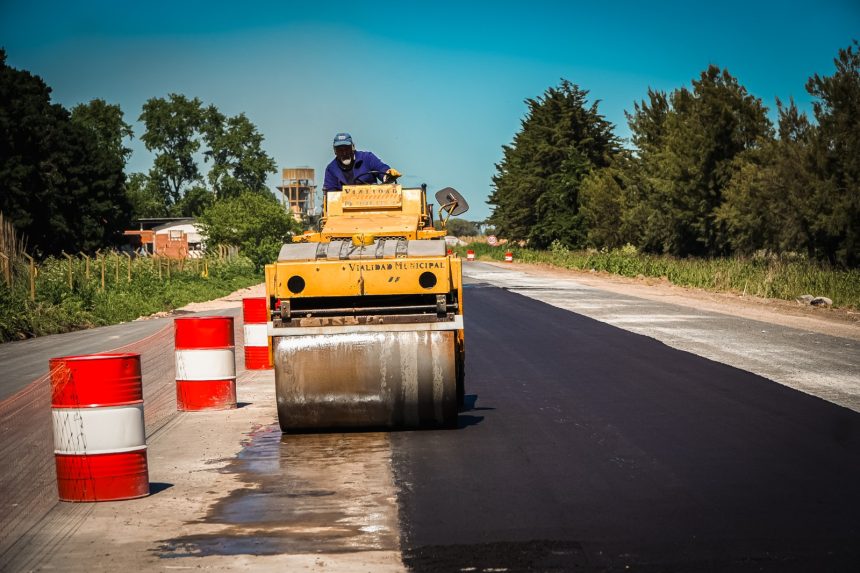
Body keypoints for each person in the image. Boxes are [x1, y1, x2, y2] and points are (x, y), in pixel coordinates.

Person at [322, 133, 401, 191]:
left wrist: (387, 174)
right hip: (344, 209)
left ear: (353, 147)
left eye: (347, 148)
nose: (344, 153)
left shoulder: (367, 158)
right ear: (335, 151)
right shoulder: (331, 169)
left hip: (372, 202)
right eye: (340, 150)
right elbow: (330, 193)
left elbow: (380, 168)